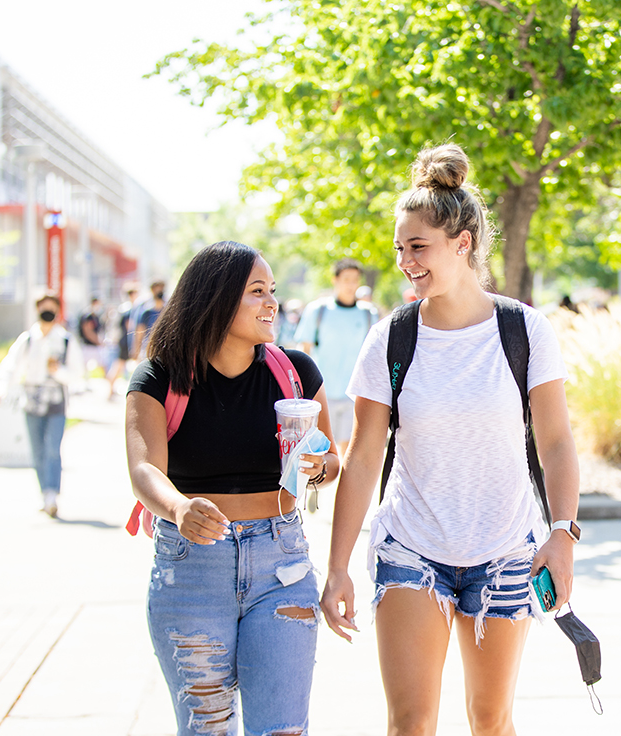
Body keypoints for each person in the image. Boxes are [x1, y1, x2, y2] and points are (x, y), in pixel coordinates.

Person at [319, 144, 581, 736]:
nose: (406, 262)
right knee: (411, 723)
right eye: (399, 249)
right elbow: (362, 458)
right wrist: (337, 567)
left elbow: (558, 443)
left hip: (507, 552)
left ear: (462, 243)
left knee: (491, 721)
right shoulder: (391, 338)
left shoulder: (523, 330)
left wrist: (562, 533)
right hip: (411, 547)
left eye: (419, 247)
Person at [125, 241, 340, 736]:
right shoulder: (160, 377)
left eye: (273, 292)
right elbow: (144, 471)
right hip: (192, 568)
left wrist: (316, 467)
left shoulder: (296, 373)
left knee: (281, 729)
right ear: (216, 299)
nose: (273, 303)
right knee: (207, 729)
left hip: (280, 564)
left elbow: (333, 460)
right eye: (257, 291)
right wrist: (179, 508)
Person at [0, 293, 85, 517]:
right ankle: (44, 492)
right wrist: (2, 388)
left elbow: (78, 374)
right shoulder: (28, 339)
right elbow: (10, 366)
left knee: (52, 448)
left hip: (56, 400)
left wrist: (59, 373)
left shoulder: (65, 340)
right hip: (32, 399)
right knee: (37, 450)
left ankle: (52, 494)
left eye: (51, 308)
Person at [295, 258, 379, 458]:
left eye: (355, 280)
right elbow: (304, 349)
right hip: (322, 393)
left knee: (350, 453)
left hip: (355, 394)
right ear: (335, 280)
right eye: (346, 279)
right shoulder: (318, 311)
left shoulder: (369, 314)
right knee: (321, 453)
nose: (351, 285)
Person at [107, 283, 139, 399]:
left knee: (119, 366)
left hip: (123, 340)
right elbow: (130, 327)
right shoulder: (130, 309)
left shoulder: (123, 308)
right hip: (127, 342)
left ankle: (111, 388)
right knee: (120, 366)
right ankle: (110, 388)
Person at [133, 280, 166, 359]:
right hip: (149, 349)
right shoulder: (146, 312)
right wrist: (136, 351)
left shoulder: (168, 311)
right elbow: (139, 333)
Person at [78, 296, 107, 373]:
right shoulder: (88, 316)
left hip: (94, 346)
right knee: (83, 367)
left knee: (103, 364)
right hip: (88, 346)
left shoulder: (96, 316)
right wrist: (98, 341)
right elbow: (88, 332)